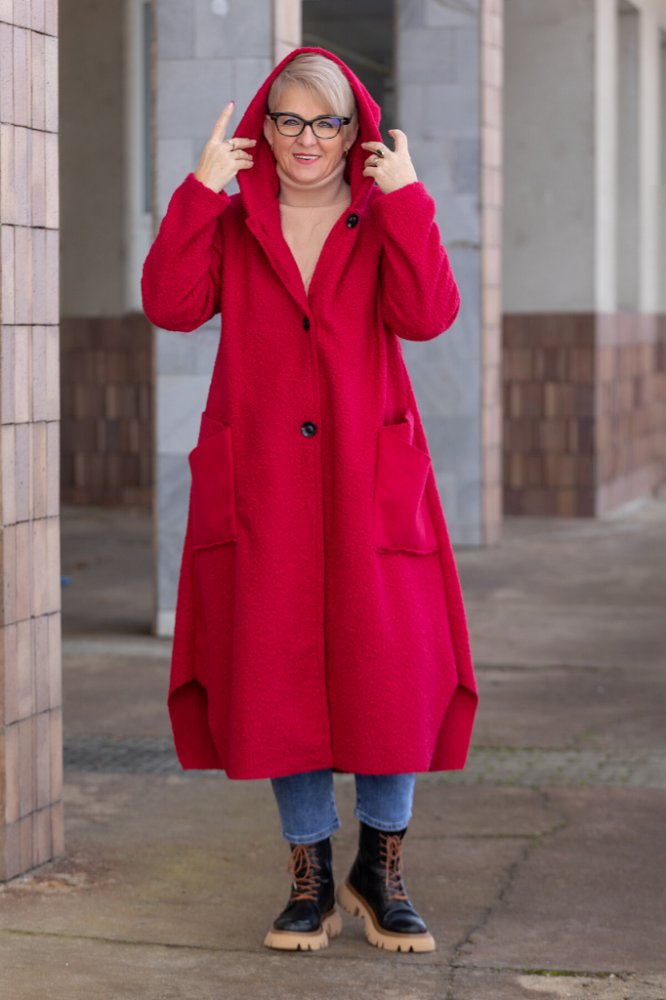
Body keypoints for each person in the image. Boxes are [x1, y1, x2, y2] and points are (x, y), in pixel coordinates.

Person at [141, 46, 478, 955]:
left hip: (371, 478)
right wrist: (200, 191)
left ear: (355, 131)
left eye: (327, 122)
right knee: (275, 669)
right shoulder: (231, 221)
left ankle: (382, 867)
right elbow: (170, 304)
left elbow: (429, 315)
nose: (306, 139)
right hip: (264, 484)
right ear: (264, 128)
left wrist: (409, 199)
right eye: (288, 119)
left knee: (390, 669)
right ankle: (310, 877)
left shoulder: (383, 216)